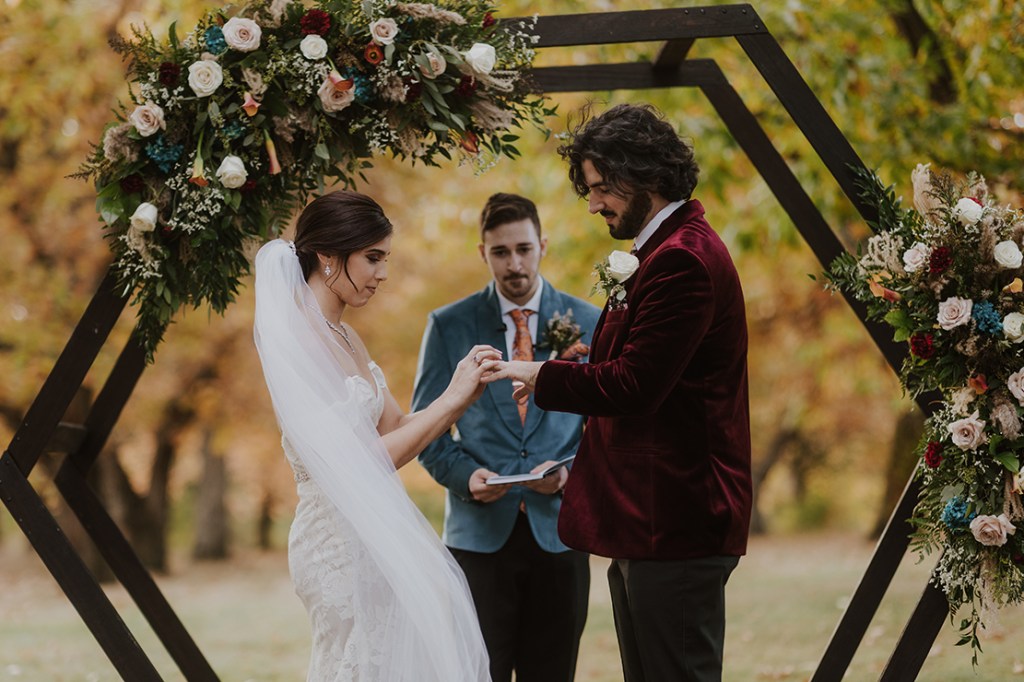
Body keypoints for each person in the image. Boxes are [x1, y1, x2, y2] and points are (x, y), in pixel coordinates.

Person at [482, 104, 753, 682]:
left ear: (644, 175)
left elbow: (635, 385)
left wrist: (538, 374)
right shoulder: (661, 250)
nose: (594, 204)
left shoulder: (682, 259)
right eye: (589, 190)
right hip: (648, 522)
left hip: (676, 518)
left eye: (602, 188)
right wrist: (584, 361)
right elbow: (648, 366)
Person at [253, 190, 497, 681]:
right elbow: (362, 462)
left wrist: (460, 389)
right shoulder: (300, 339)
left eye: (385, 258)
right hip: (336, 542)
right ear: (328, 255)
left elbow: (398, 429)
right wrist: (450, 402)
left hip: (377, 528)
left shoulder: (345, 335)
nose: (383, 273)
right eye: (372, 258)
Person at [412, 193, 599, 682]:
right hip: (478, 540)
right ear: (483, 253)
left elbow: (607, 429)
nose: (514, 264)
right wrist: (465, 476)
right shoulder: (448, 325)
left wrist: (567, 476)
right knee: (478, 673)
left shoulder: (589, 320)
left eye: (523, 249)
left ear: (543, 245)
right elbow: (427, 428)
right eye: (500, 252)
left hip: (560, 535)